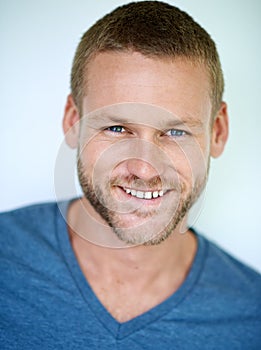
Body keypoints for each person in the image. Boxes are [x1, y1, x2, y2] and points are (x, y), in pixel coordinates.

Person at [1, 1, 260, 349]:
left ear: (218, 131)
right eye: (117, 127)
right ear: (72, 121)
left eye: (175, 133)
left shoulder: (251, 318)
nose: (143, 168)